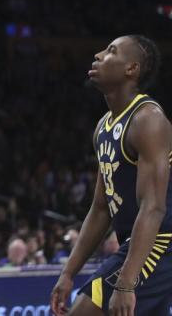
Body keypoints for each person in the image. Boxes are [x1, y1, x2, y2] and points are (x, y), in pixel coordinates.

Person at [51, 35, 172, 316]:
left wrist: (126, 283)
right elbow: (101, 208)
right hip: (138, 242)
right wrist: (68, 272)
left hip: (161, 242)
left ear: (132, 69)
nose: (98, 54)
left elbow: (153, 208)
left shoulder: (148, 119)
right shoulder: (103, 126)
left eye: (111, 51)